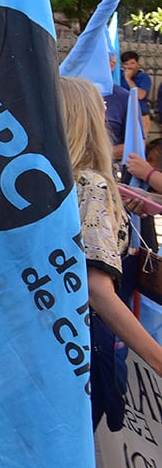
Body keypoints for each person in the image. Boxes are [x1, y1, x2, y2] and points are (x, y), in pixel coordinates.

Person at [60, 76, 162, 430]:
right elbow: (96, 288)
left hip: (47, 335)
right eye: (101, 111)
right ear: (87, 120)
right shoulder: (92, 183)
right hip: (84, 338)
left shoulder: (52, 179)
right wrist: (157, 358)